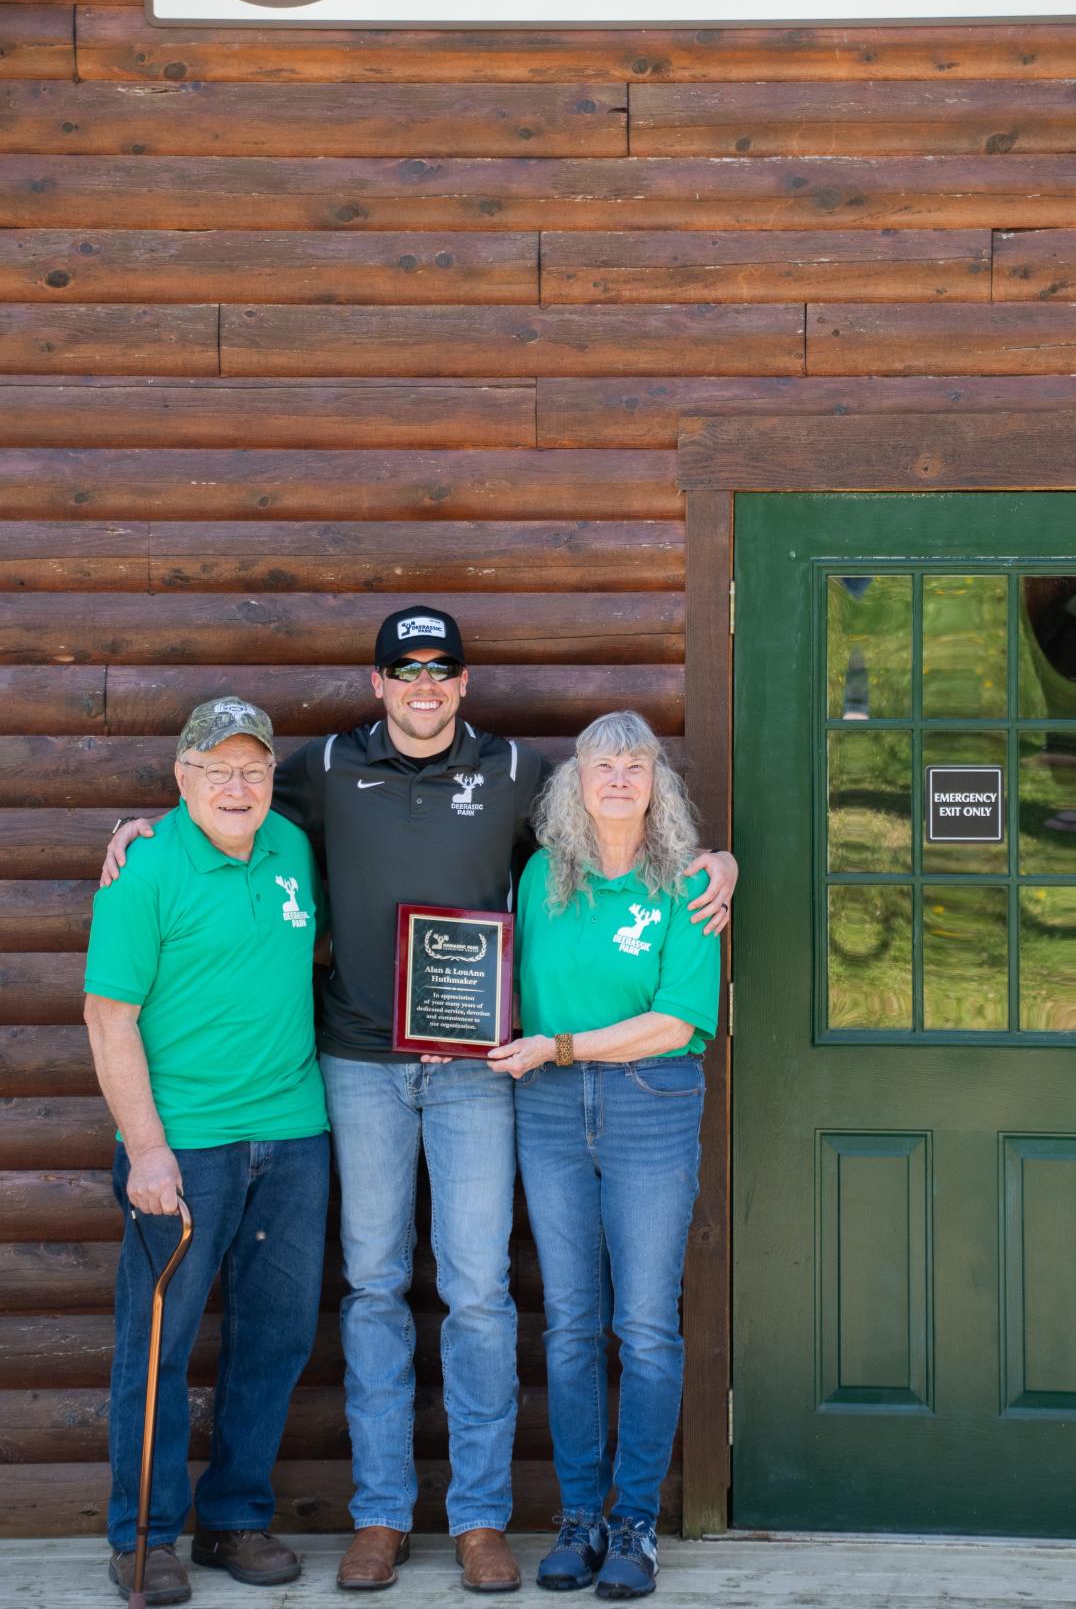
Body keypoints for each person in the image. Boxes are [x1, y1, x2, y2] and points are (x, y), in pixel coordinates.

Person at [102, 608, 737, 1594]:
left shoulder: (523, 773)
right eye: (408, 671)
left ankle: (480, 1519)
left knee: (478, 1291)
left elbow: (625, 818)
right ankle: (383, 1515)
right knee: (372, 1287)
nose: (426, 685)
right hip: (355, 1068)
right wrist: (137, 826)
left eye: (443, 669)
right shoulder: (319, 769)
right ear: (380, 682)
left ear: (465, 683)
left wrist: (719, 864)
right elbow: (226, 799)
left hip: (479, 1070)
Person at [85, 697, 329, 1606]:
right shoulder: (145, 870)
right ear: (181, 777)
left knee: (276, 1335)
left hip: (295, 1137)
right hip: (184, 1147)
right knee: (158, 1341)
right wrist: (146, 1152)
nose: (237, 784)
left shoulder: (293, 850)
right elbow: (107, 1020)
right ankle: (143, 1537)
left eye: (253, 768)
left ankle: (234, 1519)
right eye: (217, 768)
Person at [487, 712, 721, 1601]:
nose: (618, 776)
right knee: (573, 1322)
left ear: (657, 782)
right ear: (572, 784)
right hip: (547, 1109)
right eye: (600, 764)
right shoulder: (545, 876)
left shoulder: (689, 882)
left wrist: (564, 1047)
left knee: (647, 1327)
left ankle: (634, 1524)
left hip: (651, 1103)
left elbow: (675, 1019)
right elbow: (500, 981)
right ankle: (579, 1518)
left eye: (635, 763)